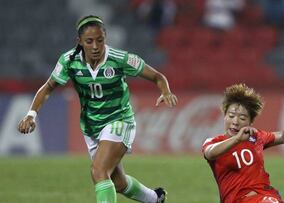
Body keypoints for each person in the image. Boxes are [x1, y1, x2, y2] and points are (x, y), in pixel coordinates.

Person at [18, 15, 178, 203]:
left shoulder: (120, 59)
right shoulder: (69, 60)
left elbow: (157, 76)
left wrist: (165, 91)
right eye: (89, 41)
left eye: (100, 41)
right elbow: (48, 87)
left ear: (105, 39)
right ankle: (154, 198)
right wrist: (31, 114)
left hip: (119, 120)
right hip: (92, 126)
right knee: (118, 183)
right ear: (79, 42)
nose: (95, 46)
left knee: (99, 172)